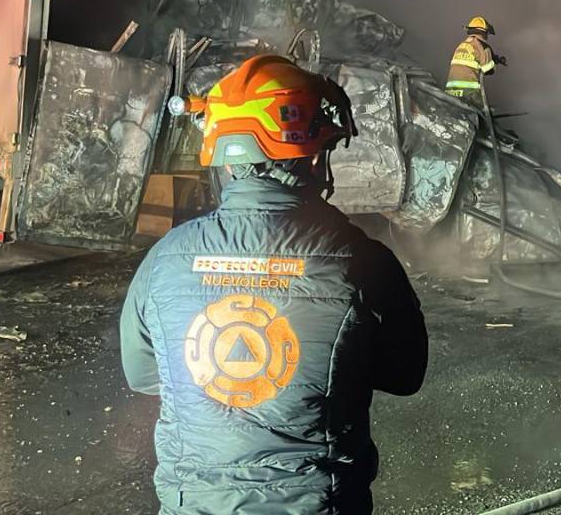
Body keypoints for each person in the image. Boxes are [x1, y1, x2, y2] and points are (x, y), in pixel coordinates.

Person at [120, 54, 427, 515]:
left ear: (223, 157)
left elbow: (144, 376)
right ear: (312, 153)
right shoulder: (363, 261)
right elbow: (405, 376)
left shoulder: (164, 258)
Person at [445, 15, 506, 110]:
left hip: (451, 91)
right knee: (482, 116)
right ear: (484, 32)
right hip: (469, 92)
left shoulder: (462, 45)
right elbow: (488, 70)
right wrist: (495, 62)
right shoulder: (483, 46)